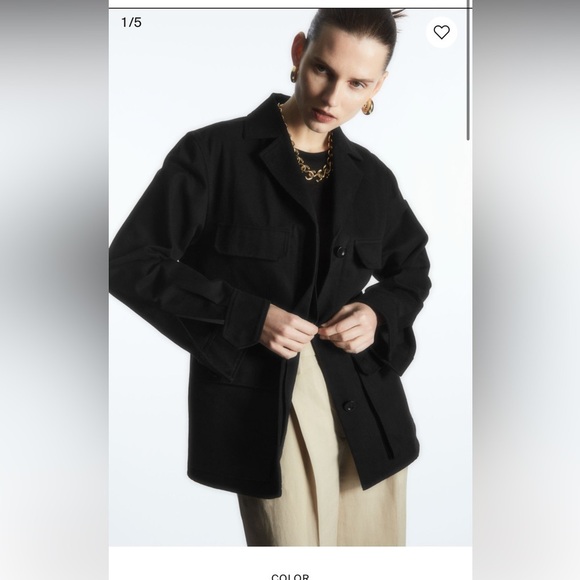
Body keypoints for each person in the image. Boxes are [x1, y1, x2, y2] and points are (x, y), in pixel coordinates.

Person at [109, 8, 430, 547]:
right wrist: (248, 316)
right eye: (323, 69)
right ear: (298, 51)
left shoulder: (373, 179)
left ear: (379, 86)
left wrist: (377, 313)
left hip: (368, 412)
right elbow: (130, 262)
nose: (333, 97)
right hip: (266, 406)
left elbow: (412, 269)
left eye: (357, 84)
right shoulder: (212, 155)